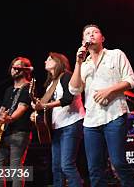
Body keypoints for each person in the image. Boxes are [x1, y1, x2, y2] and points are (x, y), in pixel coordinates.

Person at [69, 24, 134, 187]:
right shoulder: (84, 65)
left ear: (102, 38)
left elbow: (131, 81)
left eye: (95, 32)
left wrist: (110, 90)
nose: (91, 35)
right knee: (94, 169)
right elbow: (74, 89)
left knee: (118, 162)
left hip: (114, 115)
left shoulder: (116, 55)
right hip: (91, 121)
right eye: (87, 33)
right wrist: (78, 62)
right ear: (83, 40)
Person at [32, 52, 84, 187]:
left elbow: (68, 98)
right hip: (58, 127)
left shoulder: (66, 76)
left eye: (49, 59)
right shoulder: (50, 84)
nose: (45, 61)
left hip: (71, 123)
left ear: (58, 62)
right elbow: (47, 107)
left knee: (67, 165)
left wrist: (44, 105)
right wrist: (37, 111)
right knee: (56, 168)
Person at [0, 57, 34, 187]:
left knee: (15, 167)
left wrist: (10, 118)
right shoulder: (8, 90)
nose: (14, 69)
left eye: (18, 66)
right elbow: (1, 111)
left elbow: (22, 108)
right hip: (4, 132)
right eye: (13, 66)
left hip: (20, 132)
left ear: (25, 70)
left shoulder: (29, 87)